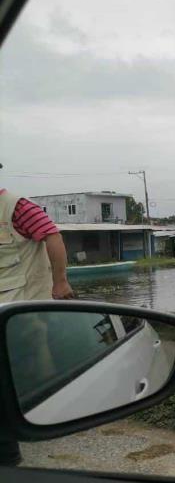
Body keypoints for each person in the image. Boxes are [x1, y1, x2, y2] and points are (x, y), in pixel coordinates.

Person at [0, 185, 74, 466]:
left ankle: (44, 415)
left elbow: (52, 235)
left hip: (23, 304)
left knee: (34, 352)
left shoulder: (16, 207)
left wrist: (60, 281)